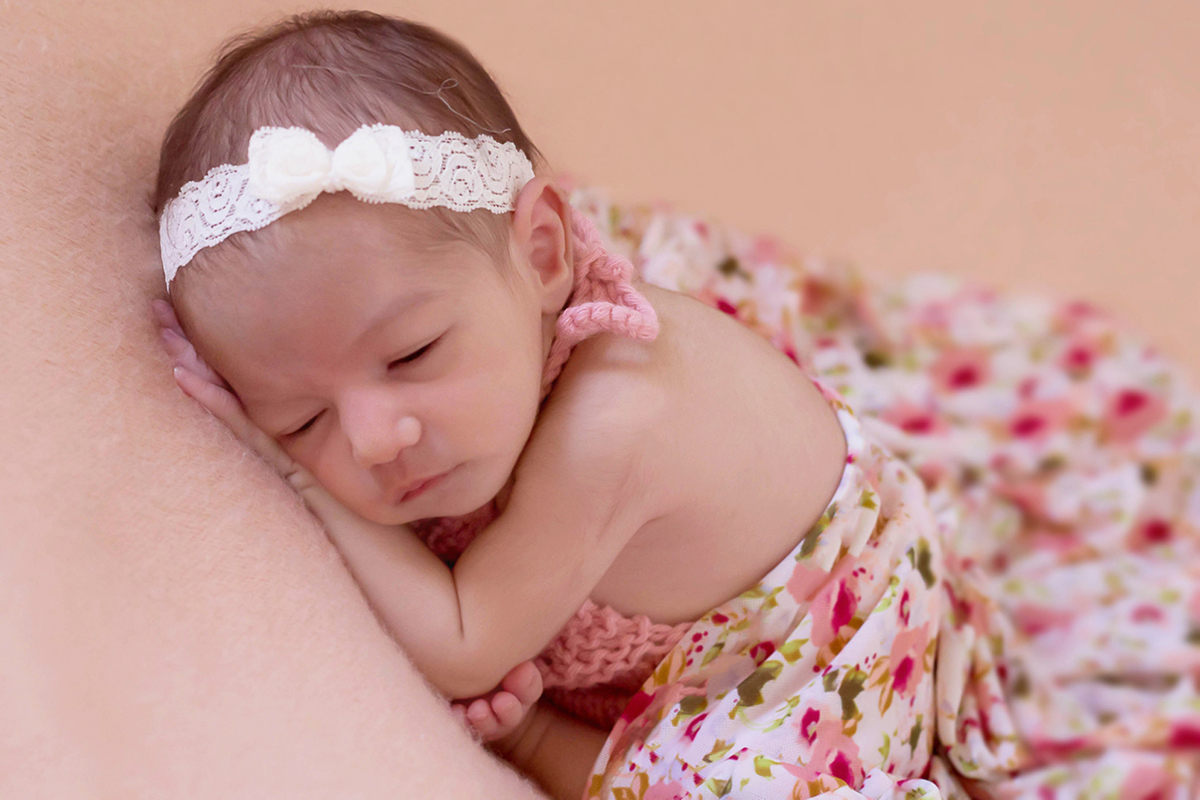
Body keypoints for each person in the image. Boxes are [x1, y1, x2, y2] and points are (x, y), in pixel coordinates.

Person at [152, 10, 1200, 799]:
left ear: (547, 254)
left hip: (820, 639)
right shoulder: (484, 325)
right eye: (300, 419)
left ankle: (543, 742)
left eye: (413, 353)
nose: (377, 439)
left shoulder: (614, 426)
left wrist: (294, 474)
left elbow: (465, 644)